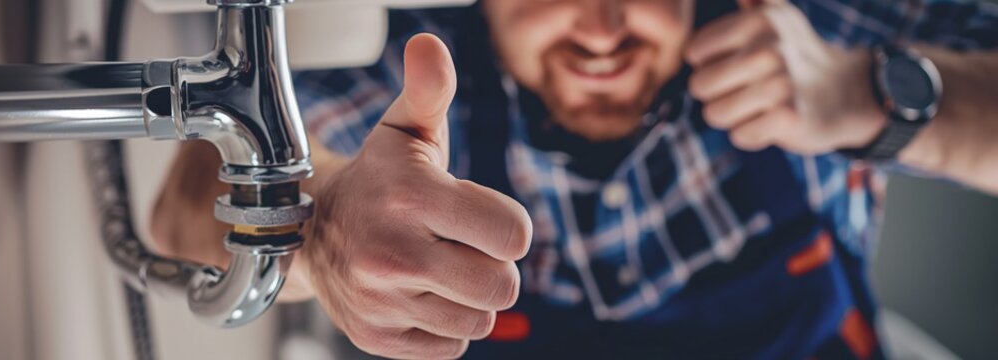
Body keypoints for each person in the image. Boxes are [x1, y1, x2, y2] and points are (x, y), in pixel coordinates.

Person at [150, 0, 998, 358]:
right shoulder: (409, 63)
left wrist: (869, 92)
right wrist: (321, 227)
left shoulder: (809, 22)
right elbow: (183, 202)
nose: (599, 27)